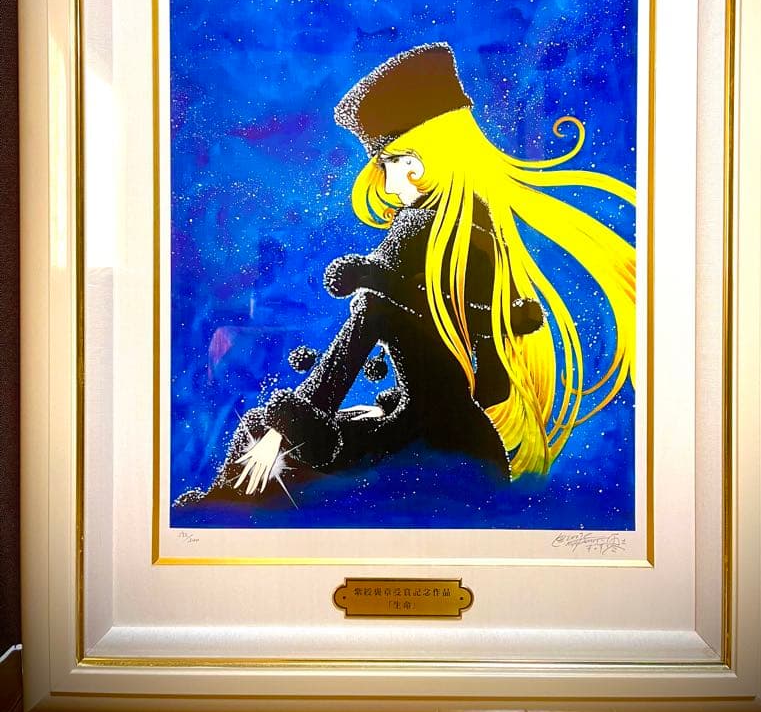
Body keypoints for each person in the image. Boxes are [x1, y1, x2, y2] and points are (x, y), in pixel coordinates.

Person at [214, 41, 635, 495]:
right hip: (475, 448)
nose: (387, 182)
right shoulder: (480, 228)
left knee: (255, 445)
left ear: (416, 163)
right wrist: (411, 397)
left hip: (416, 452)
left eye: (388, 164)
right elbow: (490, 385)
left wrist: (285, 428)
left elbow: (356, 340)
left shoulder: (417, 229)